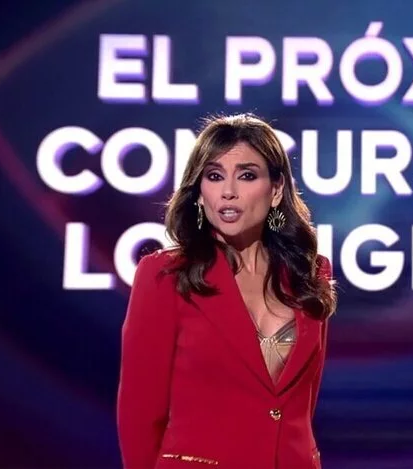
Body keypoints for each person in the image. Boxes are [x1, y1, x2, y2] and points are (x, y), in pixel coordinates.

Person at [116, 113, 337, 469]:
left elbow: (302, 406)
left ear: (276, 189)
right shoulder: (165, 275)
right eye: (214, 176)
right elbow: (140, 414)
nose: (228, 191)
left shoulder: (310, 272)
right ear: (199, 192)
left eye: (247, 175)